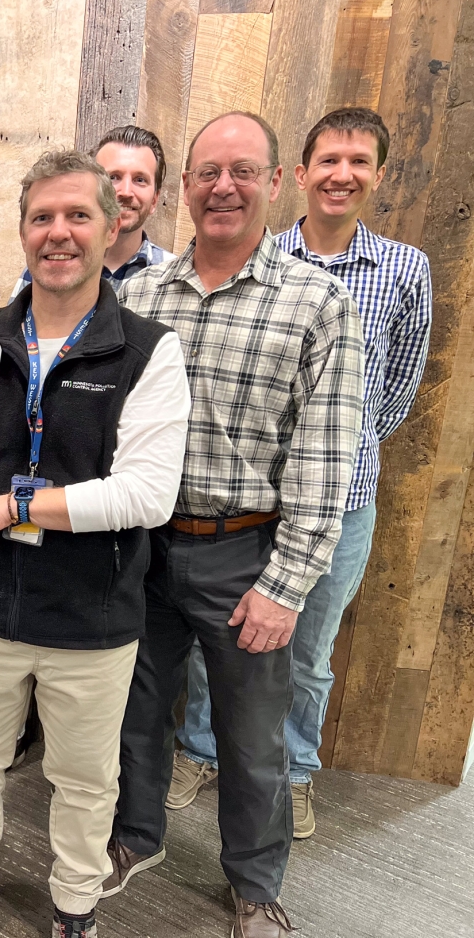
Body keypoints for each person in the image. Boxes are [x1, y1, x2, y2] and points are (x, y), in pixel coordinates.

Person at [0, 148, 189, 938]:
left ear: (112, 228)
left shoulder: (149, 350)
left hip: (93, 619)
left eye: (78, 216)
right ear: (23, 232)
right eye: (42, 218)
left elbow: (145, 494)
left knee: (84, 780)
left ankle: (75, 903)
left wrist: (10, 507)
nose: (58, 233)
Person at [105, 112, 364, 938]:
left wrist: (285, 587)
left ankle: (254, 886)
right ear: (183, 188)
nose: (224, 187)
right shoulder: (136, 296)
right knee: (135, 711)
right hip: (139, 550)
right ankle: (135, 838)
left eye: (243, 171)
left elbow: (327, 459)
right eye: (208, 172)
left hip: (245, 553)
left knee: (252, 740)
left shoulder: (317, 302)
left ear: (274, 182)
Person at [169, 108, 432, 839]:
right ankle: (197, 750)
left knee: (308, 650)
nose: (341, 175)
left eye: (358, 162)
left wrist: (330, 453)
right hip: (245, 508)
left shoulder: (402, 269)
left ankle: (296, 771)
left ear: (377, 174)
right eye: (330, 160)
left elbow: (398, 389)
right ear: (304, 175)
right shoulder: (251, 252)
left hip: (340, 499)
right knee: (218, 640)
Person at [8, 125, 173, 304]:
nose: (125, 191)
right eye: (113, 177)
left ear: (155, 199)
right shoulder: (48, 267)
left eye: (140, 180)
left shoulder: (172, 276)